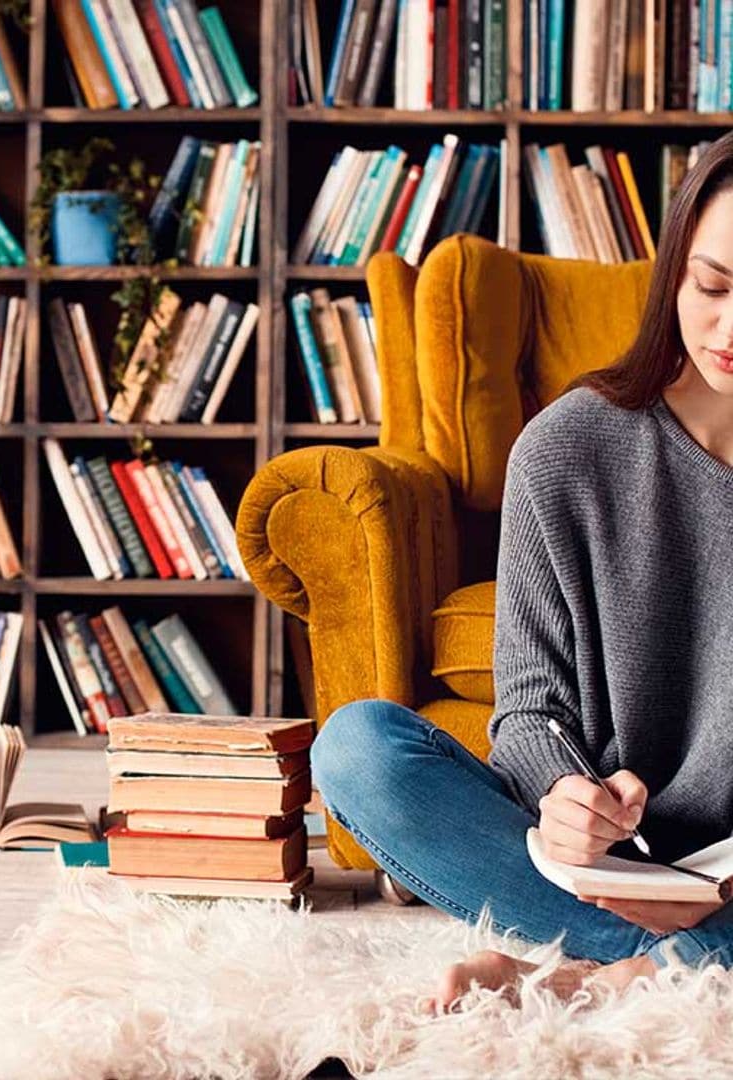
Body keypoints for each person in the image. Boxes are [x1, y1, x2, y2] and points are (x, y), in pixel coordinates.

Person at [310, 129, 733, 1013]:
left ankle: (599, 976)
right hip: (607, 861)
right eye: (714, 286)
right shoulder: (568, 450)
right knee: (358, 749)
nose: (731, 330)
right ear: (676, 274)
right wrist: (564, 795)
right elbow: (530, 708)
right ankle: (684, 964)